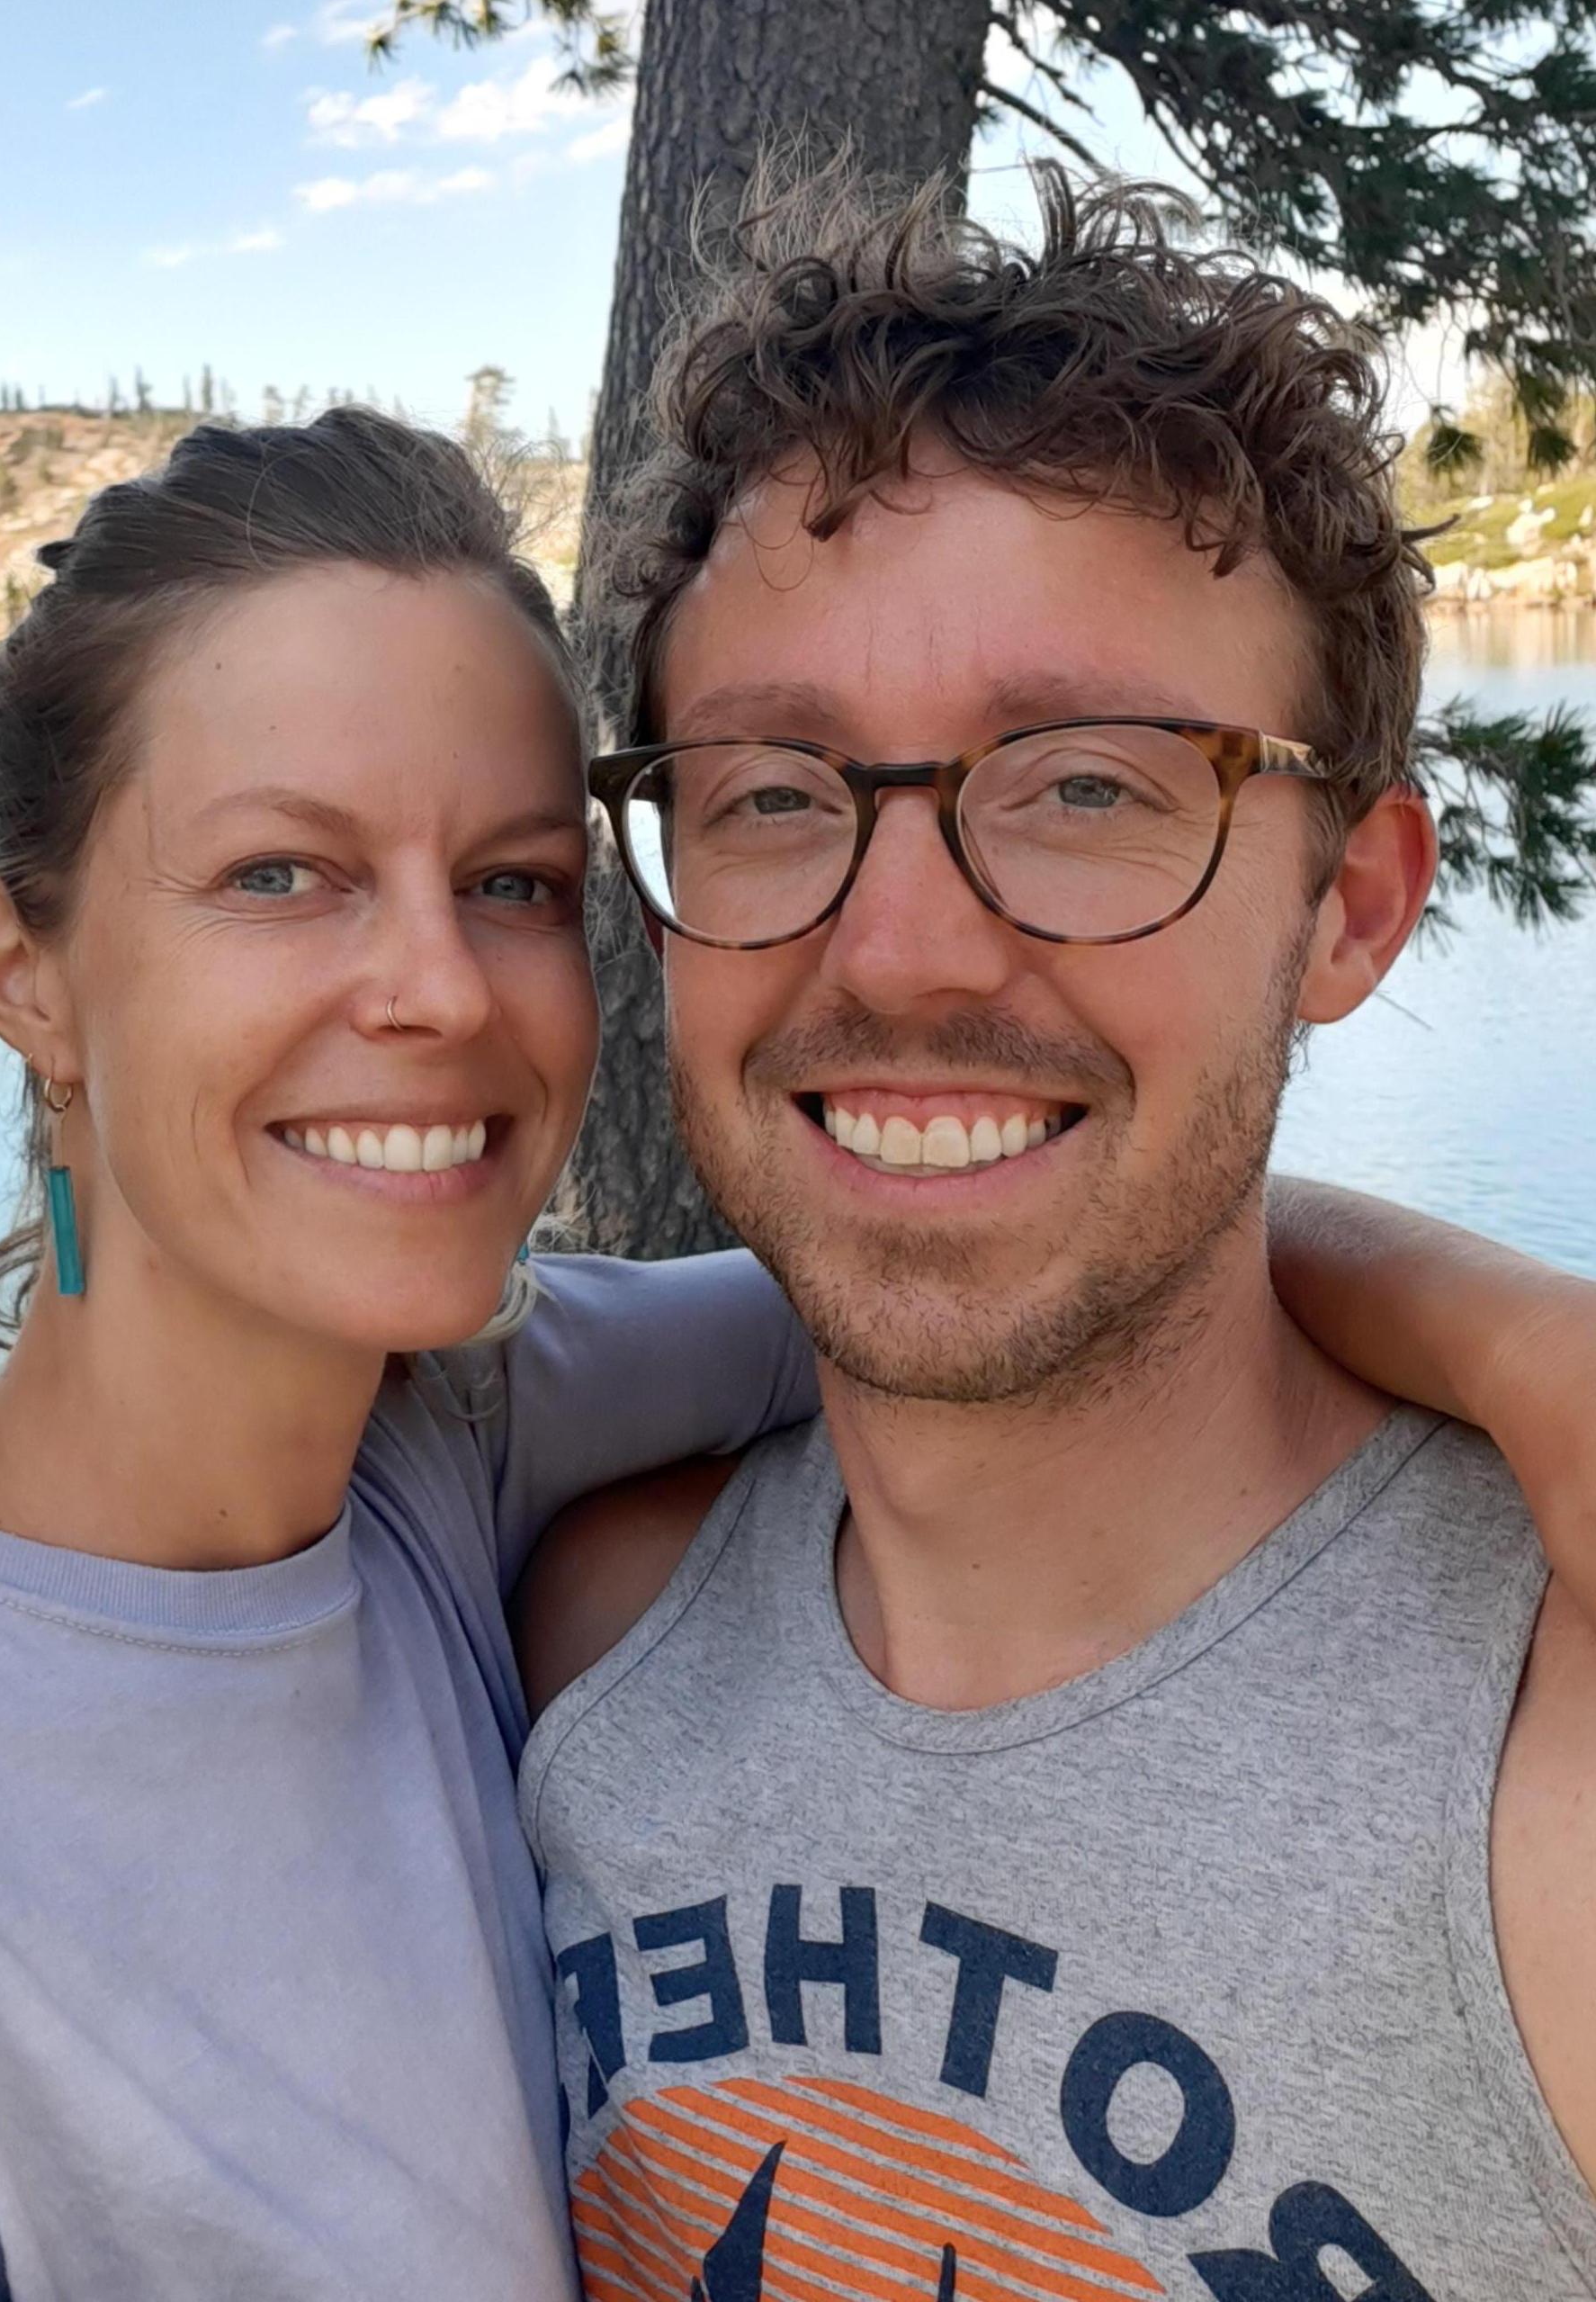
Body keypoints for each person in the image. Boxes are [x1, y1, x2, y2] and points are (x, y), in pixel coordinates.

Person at [0, 402, 1589, 2302]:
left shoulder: (446, 1466)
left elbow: (933, 1250)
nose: (431, 988)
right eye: (279, 871)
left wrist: (1521, 1349)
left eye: (507, 882)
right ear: (21, 969)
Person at [513, 171, 1596, 2302]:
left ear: (1352, 904)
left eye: (1085, 785)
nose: (899, 948)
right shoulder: (582, 1641)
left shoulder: (1536, 1754)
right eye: (769, 790)